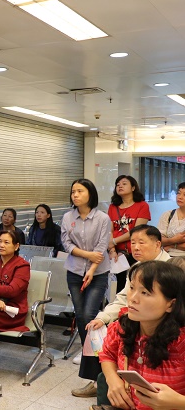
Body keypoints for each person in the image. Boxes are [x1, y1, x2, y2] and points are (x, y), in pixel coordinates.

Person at [87, 225, 171, 408]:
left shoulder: (172, 270)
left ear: (158, 244)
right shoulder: (137, 268)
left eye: (141, 242)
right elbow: (123, 299)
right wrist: (103, 317)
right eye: (133, 243)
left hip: (158, 333)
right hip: (133, 326)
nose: (136, 247)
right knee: (96, 329)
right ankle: (96, 381)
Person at [98, 261, 185, 410]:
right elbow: (107, 354)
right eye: (132, 288)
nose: (132, 298)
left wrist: (178, 402)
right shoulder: (124, 327)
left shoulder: (180, 342)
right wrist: (112, 379)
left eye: (145, 293)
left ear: (170, 304)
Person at [61, 178, 111, 398]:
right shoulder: (67, 217)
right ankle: (90, 355)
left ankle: (96, 363)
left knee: (89, 315)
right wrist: (87, 255)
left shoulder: (102, 218)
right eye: (73, 191)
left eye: (80, 191)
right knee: (81, 317)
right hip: (74, 272)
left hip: (98, 273)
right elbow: (66, 243)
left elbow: (101, 247)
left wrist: (91, 268)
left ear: (90, 193)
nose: (75, 195)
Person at [107, 175, 150, 292]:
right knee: (119, 286)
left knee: (136, 282)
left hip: (135, 251)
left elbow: (137, 230)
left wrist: (114, 241)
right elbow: (109, 230)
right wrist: (112, 250)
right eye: (117, 184)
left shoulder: (142, 205)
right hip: (117, 253)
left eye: (124, 184)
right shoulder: (112, 207)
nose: (120, 186)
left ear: (133, 188)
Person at [158, 181, 185, 257]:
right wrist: (174, 240)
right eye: (178, 193)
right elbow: (158, 239)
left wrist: (171, 245)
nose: (180, 197)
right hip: (167, 257)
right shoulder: (168, 214)